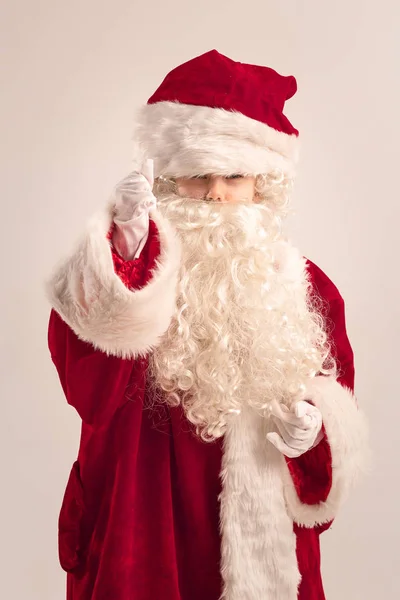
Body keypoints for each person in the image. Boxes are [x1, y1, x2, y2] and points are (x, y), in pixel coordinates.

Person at [47, 50, 368, 600]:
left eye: (234, 176)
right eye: (197, 176)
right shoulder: (135, 268)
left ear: (261, 188)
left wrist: (315, 434)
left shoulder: (308, 287)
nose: (216, 193)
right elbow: (85, 387)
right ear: (169, 182)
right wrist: (122, 247)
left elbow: (334, 398)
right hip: (141, 522)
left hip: (258, 538)